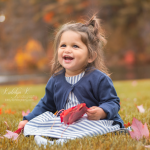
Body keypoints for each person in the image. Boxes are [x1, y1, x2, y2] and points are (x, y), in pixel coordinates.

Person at [18, 14, 125, 146]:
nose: (67, 50)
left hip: (92, 121)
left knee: (95, 126)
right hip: (66, 121)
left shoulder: (98, 78)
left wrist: (102, 112)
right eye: (63, 45)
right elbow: (46, 105)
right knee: (43, 120)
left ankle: (62, 140)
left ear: (90, 56)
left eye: (75, 46)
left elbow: (112, 101)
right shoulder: (56, 80)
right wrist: (28, 120)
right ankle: (48, 135)